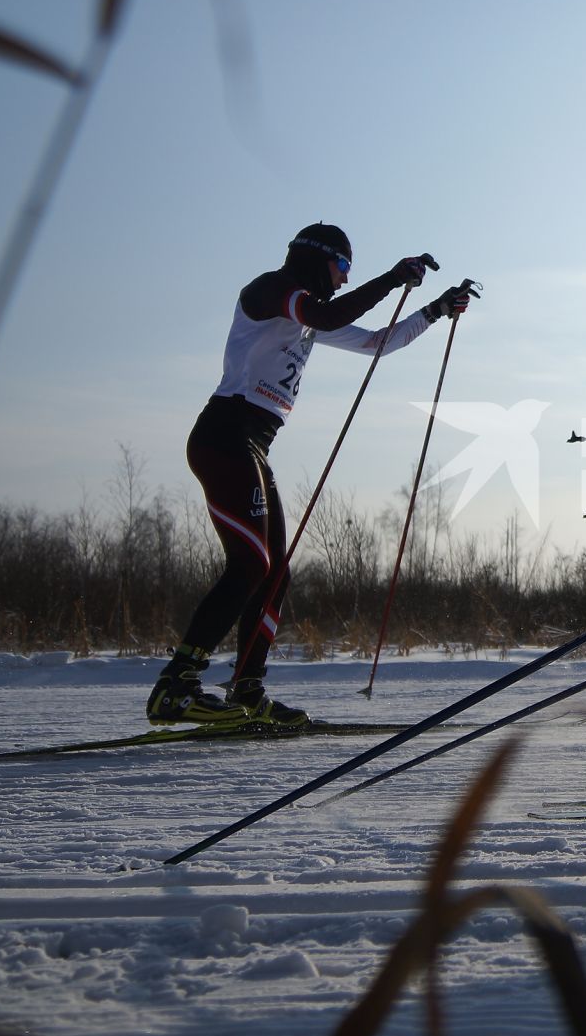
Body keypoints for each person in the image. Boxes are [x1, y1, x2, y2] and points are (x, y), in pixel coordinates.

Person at [146, 223, 479, 727]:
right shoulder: (272, 291)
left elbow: (375, 343)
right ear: (316, 258)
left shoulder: (306, 311)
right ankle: (176, 686)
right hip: (224, 436)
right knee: (250, 565)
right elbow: (328, 312)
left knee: (273, 571)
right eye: (343, 267)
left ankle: (246, 690)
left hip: (253, 445)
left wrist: (434, 310)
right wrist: (392, 277)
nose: (345, 280)